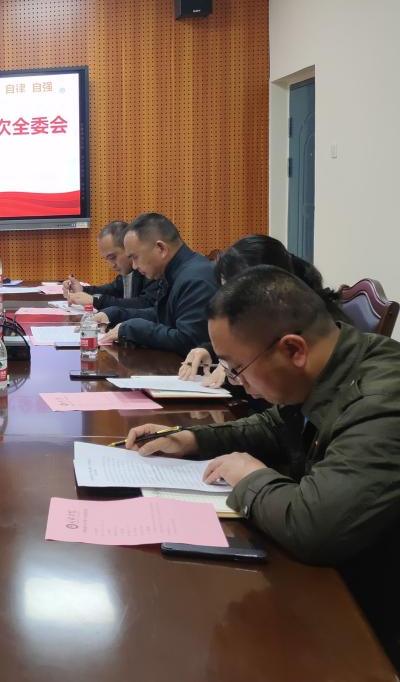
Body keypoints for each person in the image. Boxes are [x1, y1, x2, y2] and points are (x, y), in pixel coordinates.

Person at [122, 266, 400, 667]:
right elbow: (275, 425)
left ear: (293, 350)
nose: (237, 383)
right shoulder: (329, 366)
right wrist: (191, 439)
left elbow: (316, 527)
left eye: (236, 368)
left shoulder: (382, 399)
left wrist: (250, 477)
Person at [178, 234, 348, 386]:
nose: (229, 306)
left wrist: (235, 368)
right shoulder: (277, 309)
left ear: (268, 285)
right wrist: (211, 352)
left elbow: (278, 389)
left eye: (237, 296)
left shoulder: (309, 323)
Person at [95, 213, 217, 356]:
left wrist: (134, 329)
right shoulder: (177, 271)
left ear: (161, 249)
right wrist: (116, 314)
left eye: (135, 257)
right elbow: (162, 315)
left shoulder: (195, 279)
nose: (134, 266)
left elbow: (190, 342)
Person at [63, 220, 161, 309]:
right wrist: (83, 290)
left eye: (113, 257)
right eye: (107, 259)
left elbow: (145, 304)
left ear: (128, 247)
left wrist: (96, 301)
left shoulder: (150, 269)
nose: (111, 265)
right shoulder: (129, 271)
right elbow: (113, 290)